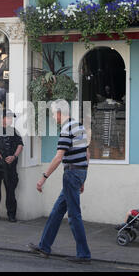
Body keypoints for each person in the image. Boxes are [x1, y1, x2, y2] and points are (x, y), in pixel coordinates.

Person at [27, 100, 91, 264]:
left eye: (54, 114)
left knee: (74, 215)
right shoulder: (79, 126)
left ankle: (83, 254)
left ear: (59, 113)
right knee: (57, 211)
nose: (54, 118)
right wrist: (83, 176)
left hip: (71, 173)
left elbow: (58, 157)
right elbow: (87, 153)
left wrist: (43, 177)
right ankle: (44, 246)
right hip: (79, 172)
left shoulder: (66, 129)